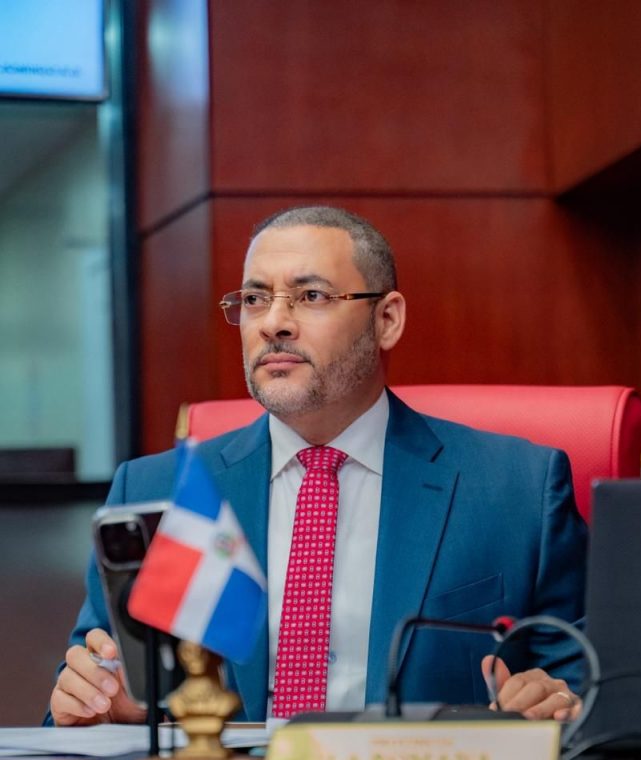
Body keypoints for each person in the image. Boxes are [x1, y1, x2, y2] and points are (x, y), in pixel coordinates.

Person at [49, 205, 587, 727]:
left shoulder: (516, 490)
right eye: (255, 299)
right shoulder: (156, 490)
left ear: (387, 320)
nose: (273, 324)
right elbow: (84, 699)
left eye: (311, 296)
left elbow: (588, 693)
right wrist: (103, 704)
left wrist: (559, 702)